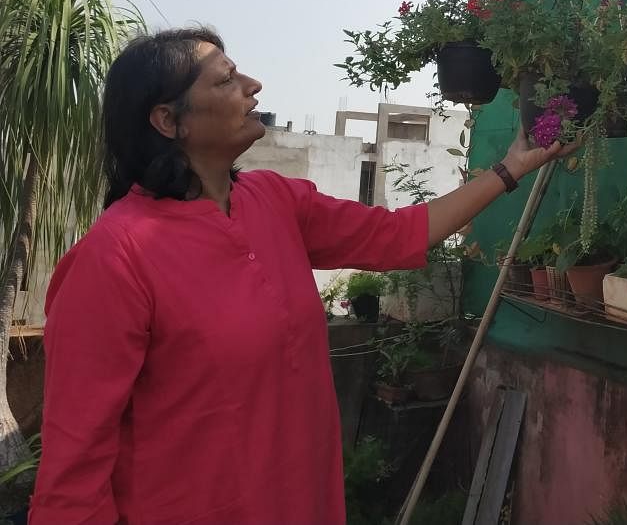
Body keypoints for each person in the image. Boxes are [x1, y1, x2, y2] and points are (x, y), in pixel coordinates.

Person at [30, 27, 567, 524]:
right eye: (225, 79)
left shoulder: (274, 201)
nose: (252, 84)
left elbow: (399, 235)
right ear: (169, 121)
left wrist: (512, 166)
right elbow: (71, 479)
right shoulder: (115, 257)